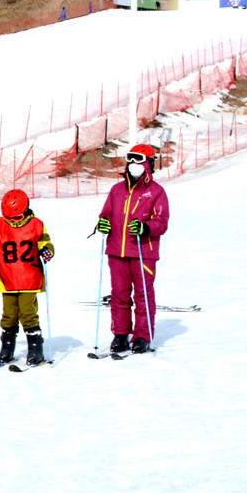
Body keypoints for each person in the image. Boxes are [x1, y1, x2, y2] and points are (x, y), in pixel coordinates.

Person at [94, 144, 170, 353]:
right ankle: (120, 333)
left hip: (142, 251)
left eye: (139, 161)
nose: (134, 166)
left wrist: (145, 227)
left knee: (143, 295)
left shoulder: (156, 192)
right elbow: (106, 213)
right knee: (119, 293)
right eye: (131, 161)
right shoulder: (117, 190)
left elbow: (161, 222)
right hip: (117, 250)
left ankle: (142, 335)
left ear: (148, 164)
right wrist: (103, 222)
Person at [0, 189, 56, 367]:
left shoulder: (36, 224)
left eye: (16, 218)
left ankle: (35, 349)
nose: (13, 221)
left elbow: (45, 242)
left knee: (28, 314)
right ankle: (7, 348)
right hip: (7, 278)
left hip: (29, 278)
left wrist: (47, 251)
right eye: (10, 217)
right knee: (8, 316)